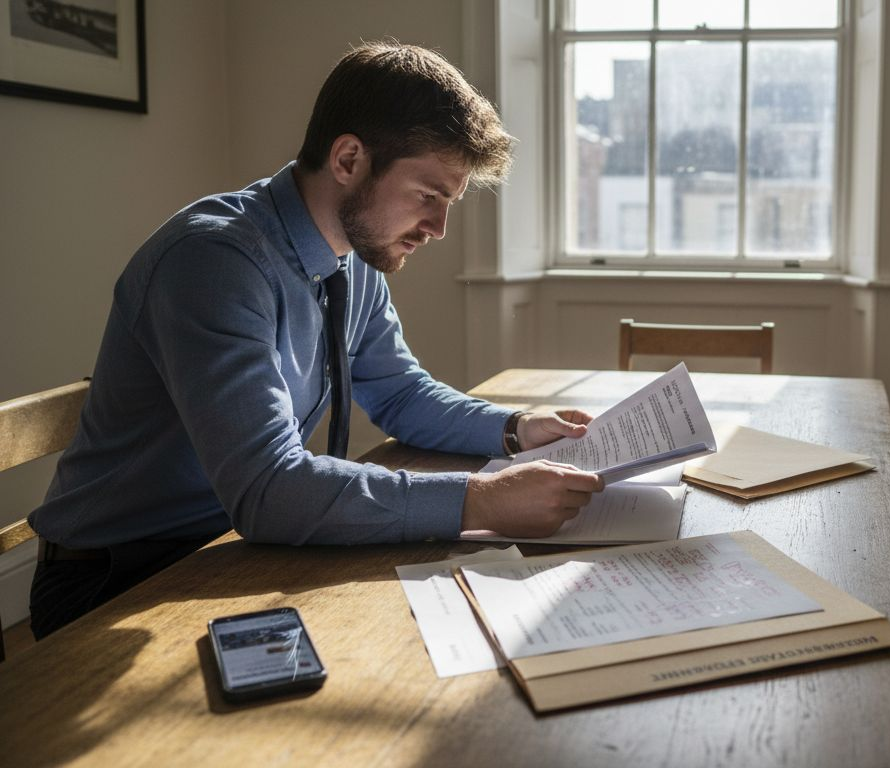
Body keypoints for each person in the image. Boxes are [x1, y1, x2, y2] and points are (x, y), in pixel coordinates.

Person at [27, 41, 603, 640]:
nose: (437, 229)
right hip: (118, 582)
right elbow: (270, 490)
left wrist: (516, 431)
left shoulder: (350, 257)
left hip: (231, 550)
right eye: (428, 197)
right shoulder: (213, 261)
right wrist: (482, 500)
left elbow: (400, 395)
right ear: (349, 159)